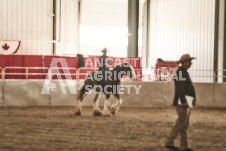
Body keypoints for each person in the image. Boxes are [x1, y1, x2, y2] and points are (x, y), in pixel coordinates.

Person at [165, 54, 196, 151]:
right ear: (184, 62)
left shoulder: (183, 72)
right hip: (183, 101)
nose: (191, 63)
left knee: (184, 124)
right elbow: (180, 87)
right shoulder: (181, 73)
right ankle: (169, 141)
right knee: (181, 122)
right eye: (189, 61)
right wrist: (183, 100)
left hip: (186, 100)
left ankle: (184, 145)